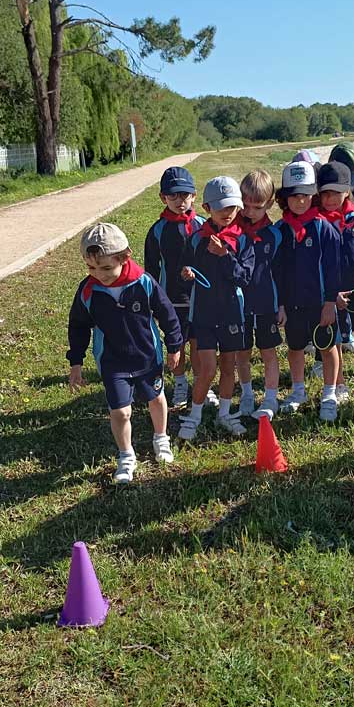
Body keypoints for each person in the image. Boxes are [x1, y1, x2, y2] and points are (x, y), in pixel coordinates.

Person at [67, 223, 182, 484]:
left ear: (125, 257)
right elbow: (78, 326)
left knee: (156, 399)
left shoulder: (144, 282)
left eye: (106, 267)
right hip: (113, 363)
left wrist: (174, 345)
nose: (99, 274)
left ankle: (160, 438)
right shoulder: (88, 291)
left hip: (147, 358)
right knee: (121, 412)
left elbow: (167, 314)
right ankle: (126, 454)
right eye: (91, 268)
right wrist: (76, 362)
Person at [178, 176, 255, 440]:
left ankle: (225, 413)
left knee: (228, 366)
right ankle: (195, 415)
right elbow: (189, 268)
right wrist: (187, 273)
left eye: (232, 207)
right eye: (221, 207)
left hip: (232, 312)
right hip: (204, 313)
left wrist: (225, 256)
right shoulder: (198, 238)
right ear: (207, 208)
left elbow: (244, 276)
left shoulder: (242, 239)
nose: (228, 213)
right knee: (207, 368)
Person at [273, 161, 342, 421]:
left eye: (305, 196)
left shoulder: (325, 229)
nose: (300, 202)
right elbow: (276, 272)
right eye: (294, 196)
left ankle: (330, 393)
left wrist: (329, 303)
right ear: (284, 198)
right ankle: (298, 390)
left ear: (313, 196)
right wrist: (280, 304)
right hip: (292, 303)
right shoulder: (279, 231)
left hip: (320, 302)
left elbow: (334, 269)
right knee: (295, 347)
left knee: (328, 346)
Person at [144, 166, 215, 409]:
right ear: (163, 198)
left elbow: (213, 263)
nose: (179, 201)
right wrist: (152, 302)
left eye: (184, 195)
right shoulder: (157, 231)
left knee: (199, 344)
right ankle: (180, 383)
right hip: (170, 299)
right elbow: (151, 271)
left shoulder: (204, 226)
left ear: (194, 196)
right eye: (172, 196)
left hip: (201, 298)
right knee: (177, 345)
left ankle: (201, 384)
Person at [316, 160, 354, 403]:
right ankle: (339, 384)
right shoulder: (316, 221)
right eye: (325, 193)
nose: (329, 199)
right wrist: (327, 294)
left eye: (336, 193)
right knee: (334, 338)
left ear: (347, 191)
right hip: (331, 291)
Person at [234, 169, 284, 420]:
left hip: (267, 304)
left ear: (270, 204)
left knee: (268, 352)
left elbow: (281, 273)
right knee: (242, 353)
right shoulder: (233, 232)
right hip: (240, 305)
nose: (249, 211)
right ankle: (246, 394)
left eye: (257, 207)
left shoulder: (275, 235)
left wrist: (281, 305)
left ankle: (271, 397)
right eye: (245, 205)